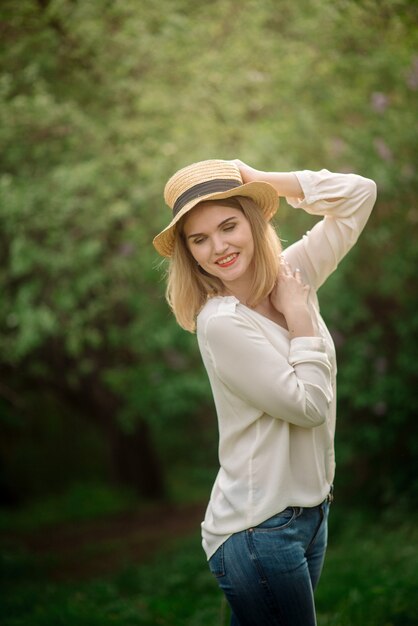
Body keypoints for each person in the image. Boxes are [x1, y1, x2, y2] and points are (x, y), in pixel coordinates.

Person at [153, 158, 377, 626]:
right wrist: (299, 318)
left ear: (253, 222)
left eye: (229, 225)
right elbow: (309, 406)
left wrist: (261, 181)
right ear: (189, 253)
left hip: (310, 516)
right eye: (200, 239)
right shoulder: (222, 323)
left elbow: (360, 195)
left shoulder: (291, 271)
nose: (219, 247)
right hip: (259, 529)